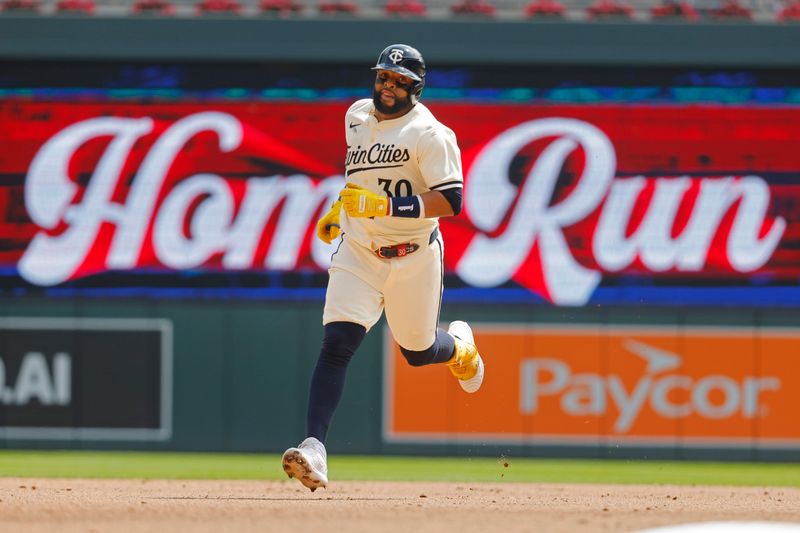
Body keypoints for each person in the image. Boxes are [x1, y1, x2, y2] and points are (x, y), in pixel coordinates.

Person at [281, 43, 484, 492]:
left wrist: (388, 204)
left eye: (399, 81)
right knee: (337, 343)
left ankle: (461, 350)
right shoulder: (356, 115)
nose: (388, 86)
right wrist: (341, 209)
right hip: (359, 249)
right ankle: (314, 448)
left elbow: (451, 200)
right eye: (383, 77)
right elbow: (360, 179)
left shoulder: (431, 134)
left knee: (417, 352)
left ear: (416, 86)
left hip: (413, 253)